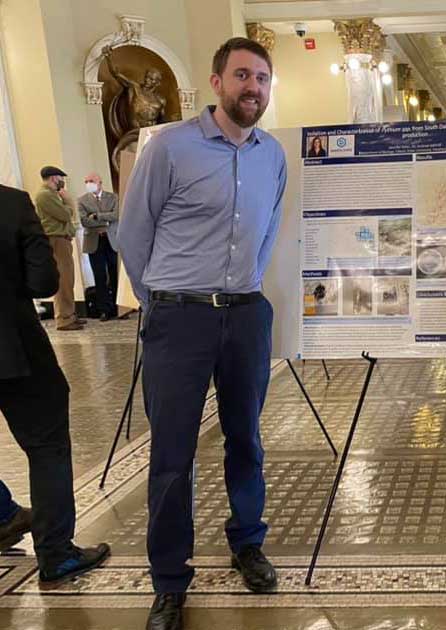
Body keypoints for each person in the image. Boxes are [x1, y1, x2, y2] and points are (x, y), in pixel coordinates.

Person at [119, 37, 286, 630]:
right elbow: (132, 235)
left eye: (262, 79)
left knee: (246, 438)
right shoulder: (169, 148)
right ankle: (169, 580)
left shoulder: (273, 155)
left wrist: (247, 290)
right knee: (172, 453)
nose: (253, 88)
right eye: (242, 75)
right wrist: (160, 301)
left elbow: (267, 231)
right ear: (216, 82)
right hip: (178, 317)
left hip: (245, 314)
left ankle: (247, 542)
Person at [0, 183, 110, 582]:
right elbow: (43, 283)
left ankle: (1, 515)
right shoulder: (11, 203)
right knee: (47, 448)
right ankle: (56, 552)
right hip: (15, 348)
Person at [34, 166, 83, 331]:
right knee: (63, 280)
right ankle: (64, 319)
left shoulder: (52, 195)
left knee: (68, 279)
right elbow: (65, 215)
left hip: (62, 240)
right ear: (54, 178)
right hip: (56, 240)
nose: (63, 181)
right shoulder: (44, 195)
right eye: (60, 178)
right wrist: (69, 201)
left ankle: (70, 315)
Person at [78, 173, 120, 320]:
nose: (88, 183)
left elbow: (116, 215)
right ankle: (104, 309)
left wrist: (96, 216)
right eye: (86, 181)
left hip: (111, 240)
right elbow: (84, 221)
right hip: (94, 241)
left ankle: (118, 308)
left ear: (100, 182)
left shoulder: (113, 197)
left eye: (91, 181)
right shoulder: (82, 200)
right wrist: (105, 220)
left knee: (115, 274)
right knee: (99, 275)